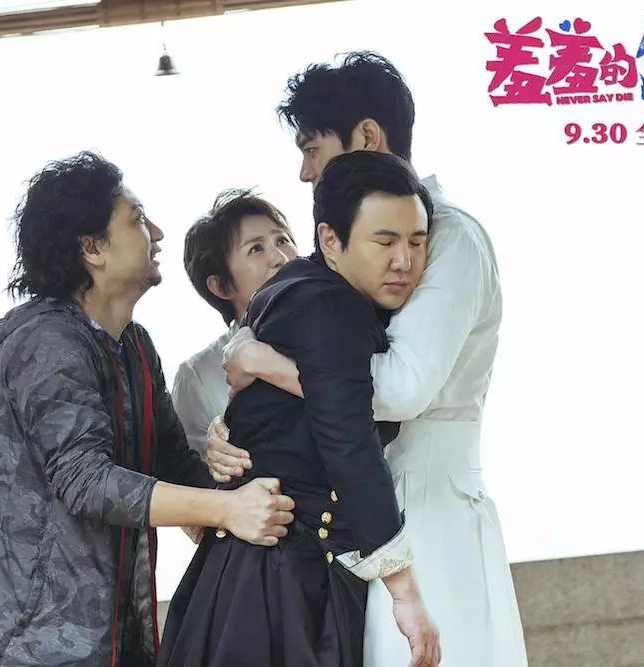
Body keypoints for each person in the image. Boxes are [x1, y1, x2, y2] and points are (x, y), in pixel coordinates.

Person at [208, 52, 528, 665]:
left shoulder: (453, 239)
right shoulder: (339, 265)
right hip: (367, 512)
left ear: (367, 138)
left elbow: (403, 387)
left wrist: (265, 362)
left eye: (312, 149)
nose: (304, 172)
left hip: (428, 506)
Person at [0, 152, 295, 667]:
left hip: (87, 640)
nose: (157, 233)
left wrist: (234, 472)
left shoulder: (134, 345)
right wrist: (227, 510)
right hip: (9, 645)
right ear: (92, 248)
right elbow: (86, 481)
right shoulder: (46, 344)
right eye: (137, 220)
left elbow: (172, 462)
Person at [158, 151, 440, 667]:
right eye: (384, 242)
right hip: (280, 580)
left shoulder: (300, 293)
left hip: (260, 570)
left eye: (417, 242)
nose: (404, 260)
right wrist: (404, 592)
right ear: (331, 240)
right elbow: (348, 439)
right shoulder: (329, 304)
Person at [171, 190, 298, 456]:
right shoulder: (198, 376)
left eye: (282, 240)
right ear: (221, 286)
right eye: (256, 248)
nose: (280, 257)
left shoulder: (341, 324)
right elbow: (194, 471)